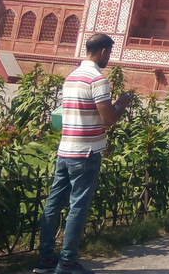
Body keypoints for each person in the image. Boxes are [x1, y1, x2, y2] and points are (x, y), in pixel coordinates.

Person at [34, 33, 134, 274]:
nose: (109, 58)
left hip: (65, 150)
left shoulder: (72, 77)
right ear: (103, 52)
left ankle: (45, 259)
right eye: (109, 53)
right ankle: (67, 263)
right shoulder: (97, 79)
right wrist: (121, 103)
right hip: (86, 153)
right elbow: (108, 119)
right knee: (77, 207)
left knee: (53, 204)